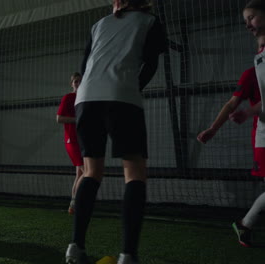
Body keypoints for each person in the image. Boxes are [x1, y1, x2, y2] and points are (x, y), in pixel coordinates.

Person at [65, 0, 167, 263]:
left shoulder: (98, 25)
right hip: (121, 96)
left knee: (91, 172)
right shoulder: (151, 22)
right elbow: (151, 64)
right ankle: (128, 255)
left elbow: (86, 65)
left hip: (86, 99)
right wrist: (132, 88)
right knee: (134, 174)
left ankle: (75, 247)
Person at [198, 36, 265, 179]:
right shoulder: (251, 75)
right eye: (262, 46)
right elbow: (231, 104)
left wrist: (249, 111)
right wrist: (213, 128)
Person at [227, 0, 265, 248]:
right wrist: (248, 112)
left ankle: (245, 224)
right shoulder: (259, 59)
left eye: (251, 17)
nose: (247, 24)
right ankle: (245, 224)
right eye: (246, 19)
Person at [57, 72, 85, 215]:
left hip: (84, 139)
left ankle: (73, 206)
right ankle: (77, 203)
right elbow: (59, 118)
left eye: (81, 81)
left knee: (80, 173)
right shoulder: (68, 98)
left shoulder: (85, 98)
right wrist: (77, 120)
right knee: (86, 171)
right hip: (72, 140)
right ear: (72, 84)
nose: (78, 83)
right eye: (76, 81)